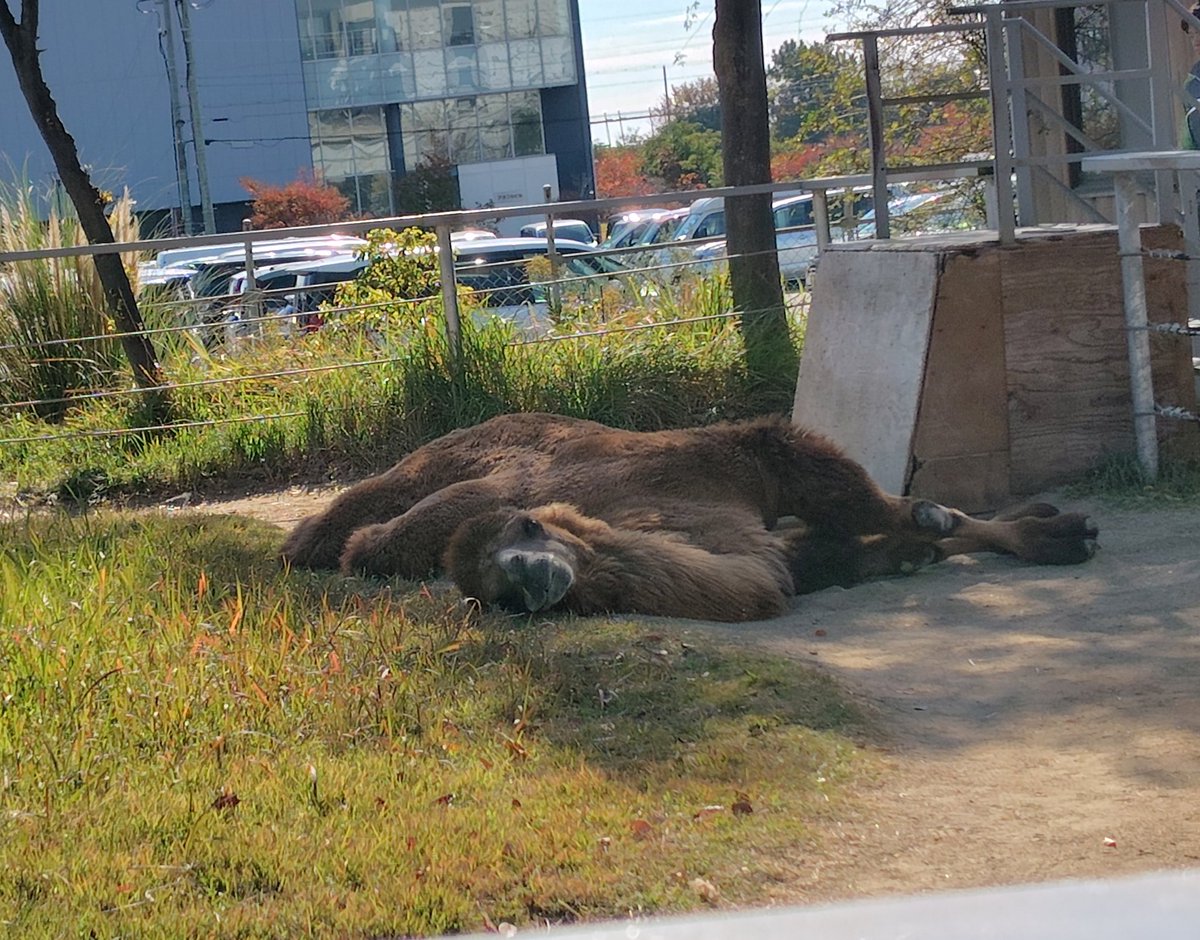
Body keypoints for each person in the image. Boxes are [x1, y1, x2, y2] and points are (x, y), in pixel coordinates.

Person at [1182, 3, 1200, 148]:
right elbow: (1188, 137)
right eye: (1191, 36)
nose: (1196, 42)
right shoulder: (1191, 82)